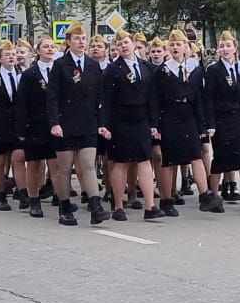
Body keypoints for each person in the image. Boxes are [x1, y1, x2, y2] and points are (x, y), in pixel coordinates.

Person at [46, 24, 110, 226]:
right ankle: (64, 207)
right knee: (65, 168)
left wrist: (102, 123)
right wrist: (54, 123)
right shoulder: (60, 65)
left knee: (88, 165)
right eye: (76, 38)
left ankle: (96, 207)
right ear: (68, 42)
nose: (81, 41)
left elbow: (100, 96)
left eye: (83, 38)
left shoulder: (92, 65)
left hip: (87, 122)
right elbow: (53, 96)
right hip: (65, 123)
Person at [153, 30, 222, 213]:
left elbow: (199, 98)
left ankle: (205, 194)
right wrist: (155, 124)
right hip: (169, 115)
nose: (175, 47)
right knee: (169, 160)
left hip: (188, 115)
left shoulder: (195, 69)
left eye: (179, 44)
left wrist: (203, 124)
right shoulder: (162, 70)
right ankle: (167, 199)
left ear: (186, 47)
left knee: (195, 155)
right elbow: (155, 99)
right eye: (172, 44)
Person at [99, 30, 162, 220]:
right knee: (121, 162)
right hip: (120, 120)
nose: (123, 46)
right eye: (119, 44)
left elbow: (152, 97)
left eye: (126, 42)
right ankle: (118, 206)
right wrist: (105, 124)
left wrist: (154, 123)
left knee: (144, 161)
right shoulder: (112, 69)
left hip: (141, 119)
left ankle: (150, 207)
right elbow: (106, 99)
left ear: (133, 44)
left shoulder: (146, 66)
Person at [201, 30, 240, 211]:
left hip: (237, 119)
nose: (225, 49)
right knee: (220, 159)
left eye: (228, 46)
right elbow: (209, 99)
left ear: (235, 48)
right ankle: (214, 196)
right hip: (220, 120)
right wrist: (210, 124)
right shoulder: (213, 70)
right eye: (222, 46)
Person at [16, 36, 58, 218]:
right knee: (34, 164)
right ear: (37, 51)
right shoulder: (29, 75)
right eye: (45, 47)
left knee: (56, 164)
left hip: (55, 124)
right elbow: (21, 104)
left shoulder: (59, 70)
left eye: (52, 46)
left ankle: (60, 197)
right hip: (34, 124)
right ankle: (33, 199)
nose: (49, 49)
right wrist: (21, 130)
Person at [0, 41, 24, 211]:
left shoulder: (21, 74)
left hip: (17, 126)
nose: (11, 57)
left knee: (18, 159)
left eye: (13, 54)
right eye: (7, 55)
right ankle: (0, 196)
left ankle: (23, 194)